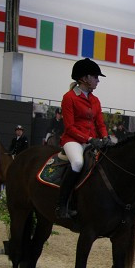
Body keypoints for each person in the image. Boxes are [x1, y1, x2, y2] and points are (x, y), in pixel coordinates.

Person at [56, 58, 111, 219]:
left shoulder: (95, 100)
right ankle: (62, 204)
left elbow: (100, 123)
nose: (98, 81)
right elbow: (69, 127)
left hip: (92, 139)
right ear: (84, 78)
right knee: (78, 162)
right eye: (95, 77)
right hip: (73, 140)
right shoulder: (69, 97)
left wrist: (105, 137)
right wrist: (88, 139)